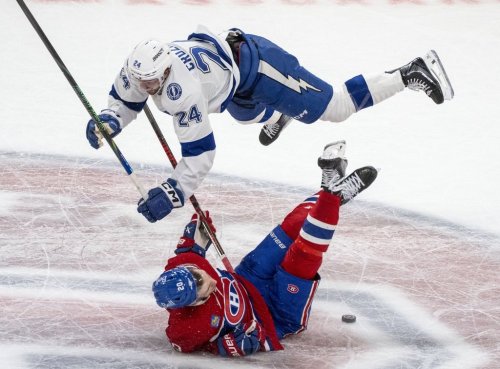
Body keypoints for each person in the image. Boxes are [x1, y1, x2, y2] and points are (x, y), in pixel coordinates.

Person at [85, 25, 453, 224]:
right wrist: (110, 120)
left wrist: (172, 192)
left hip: (260, 67)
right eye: (142, 80)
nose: (146, 88)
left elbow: (200, 153)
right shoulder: (140, 69)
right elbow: (126, 98)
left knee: (335, 106)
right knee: (246, 117)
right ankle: (281, 112)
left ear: (165, 70)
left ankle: (410, 72)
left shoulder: (183, 92)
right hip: (234, 84)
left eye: (152, 82)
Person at [151, 141, 377, 356]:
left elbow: (191, 247)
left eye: (199, 275)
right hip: (273, 314)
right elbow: (205, 347)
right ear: (195, 303)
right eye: (204, 289)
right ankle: (331, 196)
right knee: (301, 257)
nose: (210, 280)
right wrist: (229, 346)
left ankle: (330, 192)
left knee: (291, 227)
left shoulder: (183, 265)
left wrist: (199, 229)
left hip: (248, 276)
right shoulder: (188, 330)